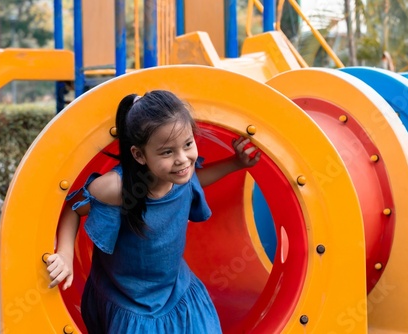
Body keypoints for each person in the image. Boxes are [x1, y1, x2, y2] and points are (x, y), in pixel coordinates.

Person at [46, 90, 261, 333]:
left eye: (188, 144)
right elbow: (74, 207)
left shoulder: (182, 175)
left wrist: (236, 163)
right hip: (129, 298)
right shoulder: (115, 187)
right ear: (139, 155)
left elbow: (197, 178)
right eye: (167, 152)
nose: (182, 159)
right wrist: (65, 254)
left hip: (175, 289)